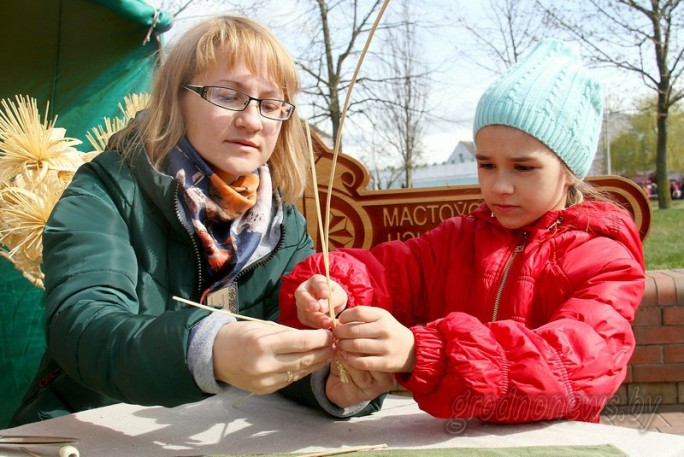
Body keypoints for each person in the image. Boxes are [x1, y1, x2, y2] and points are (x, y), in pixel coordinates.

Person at [11, 15, 382, 426]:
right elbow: (83, 327)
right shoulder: (106, 189)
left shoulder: (282, 225)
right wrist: (208, 348)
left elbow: (279, 350)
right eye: (227, 95)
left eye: (272, 104)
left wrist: (329, 379)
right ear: (176, 99)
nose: (253, 121)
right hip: (84, 431)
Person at [279, 38, 646, 423]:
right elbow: (389, 270)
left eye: (523, 167)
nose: (500, 186)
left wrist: (424, 353)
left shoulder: (604, 259)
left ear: (569, 170)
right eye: (486, 165)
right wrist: (333, 286)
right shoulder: (458, 240)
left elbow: (573, 368)